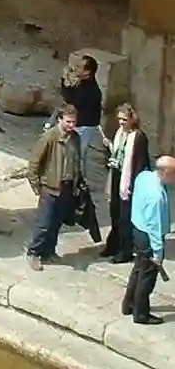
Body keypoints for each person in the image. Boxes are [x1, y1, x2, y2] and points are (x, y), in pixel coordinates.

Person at [26, 104, 82, 271]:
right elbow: (34, 163)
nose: (72, 125)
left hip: (66, 187)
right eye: (69, 122)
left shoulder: (75, 138)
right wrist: (36, 186)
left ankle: (48, 252)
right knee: (44, 223)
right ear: (60, 119)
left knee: (56, 223)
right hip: (50, 187)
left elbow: (76, 161)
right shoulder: (49, 138)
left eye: (74, 122)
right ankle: (34, 252)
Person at [122, 156, 175, 325]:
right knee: (147, 277)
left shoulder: (144, 176)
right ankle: (141, 314)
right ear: (165, 172)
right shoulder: (156, 197)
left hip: (137, 228)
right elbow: (155, 227)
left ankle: (128, 304)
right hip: (148, 237)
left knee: (138, 269)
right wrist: (158, 254)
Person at [102, 104, 151, 264]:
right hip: (117, 175)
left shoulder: (138, 137)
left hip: (129, 180)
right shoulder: (119, 133)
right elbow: (119, 153)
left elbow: (141, 162)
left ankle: (125, 251)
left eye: (124, 119)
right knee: (114, 213)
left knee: (125, 217)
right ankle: (113, 245)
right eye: (119, 119)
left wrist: (136, 186)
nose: (121, 122)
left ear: (132, 119)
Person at [60, 55, 102, 166]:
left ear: (87, 72)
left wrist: (66, 79)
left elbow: (72, 100)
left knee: (76, 155)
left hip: (85, 126)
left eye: (79, 67)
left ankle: (76, 181)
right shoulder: (82, 83)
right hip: (79, 123)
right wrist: (65, 81)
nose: (75, 69)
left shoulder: (91, 90)